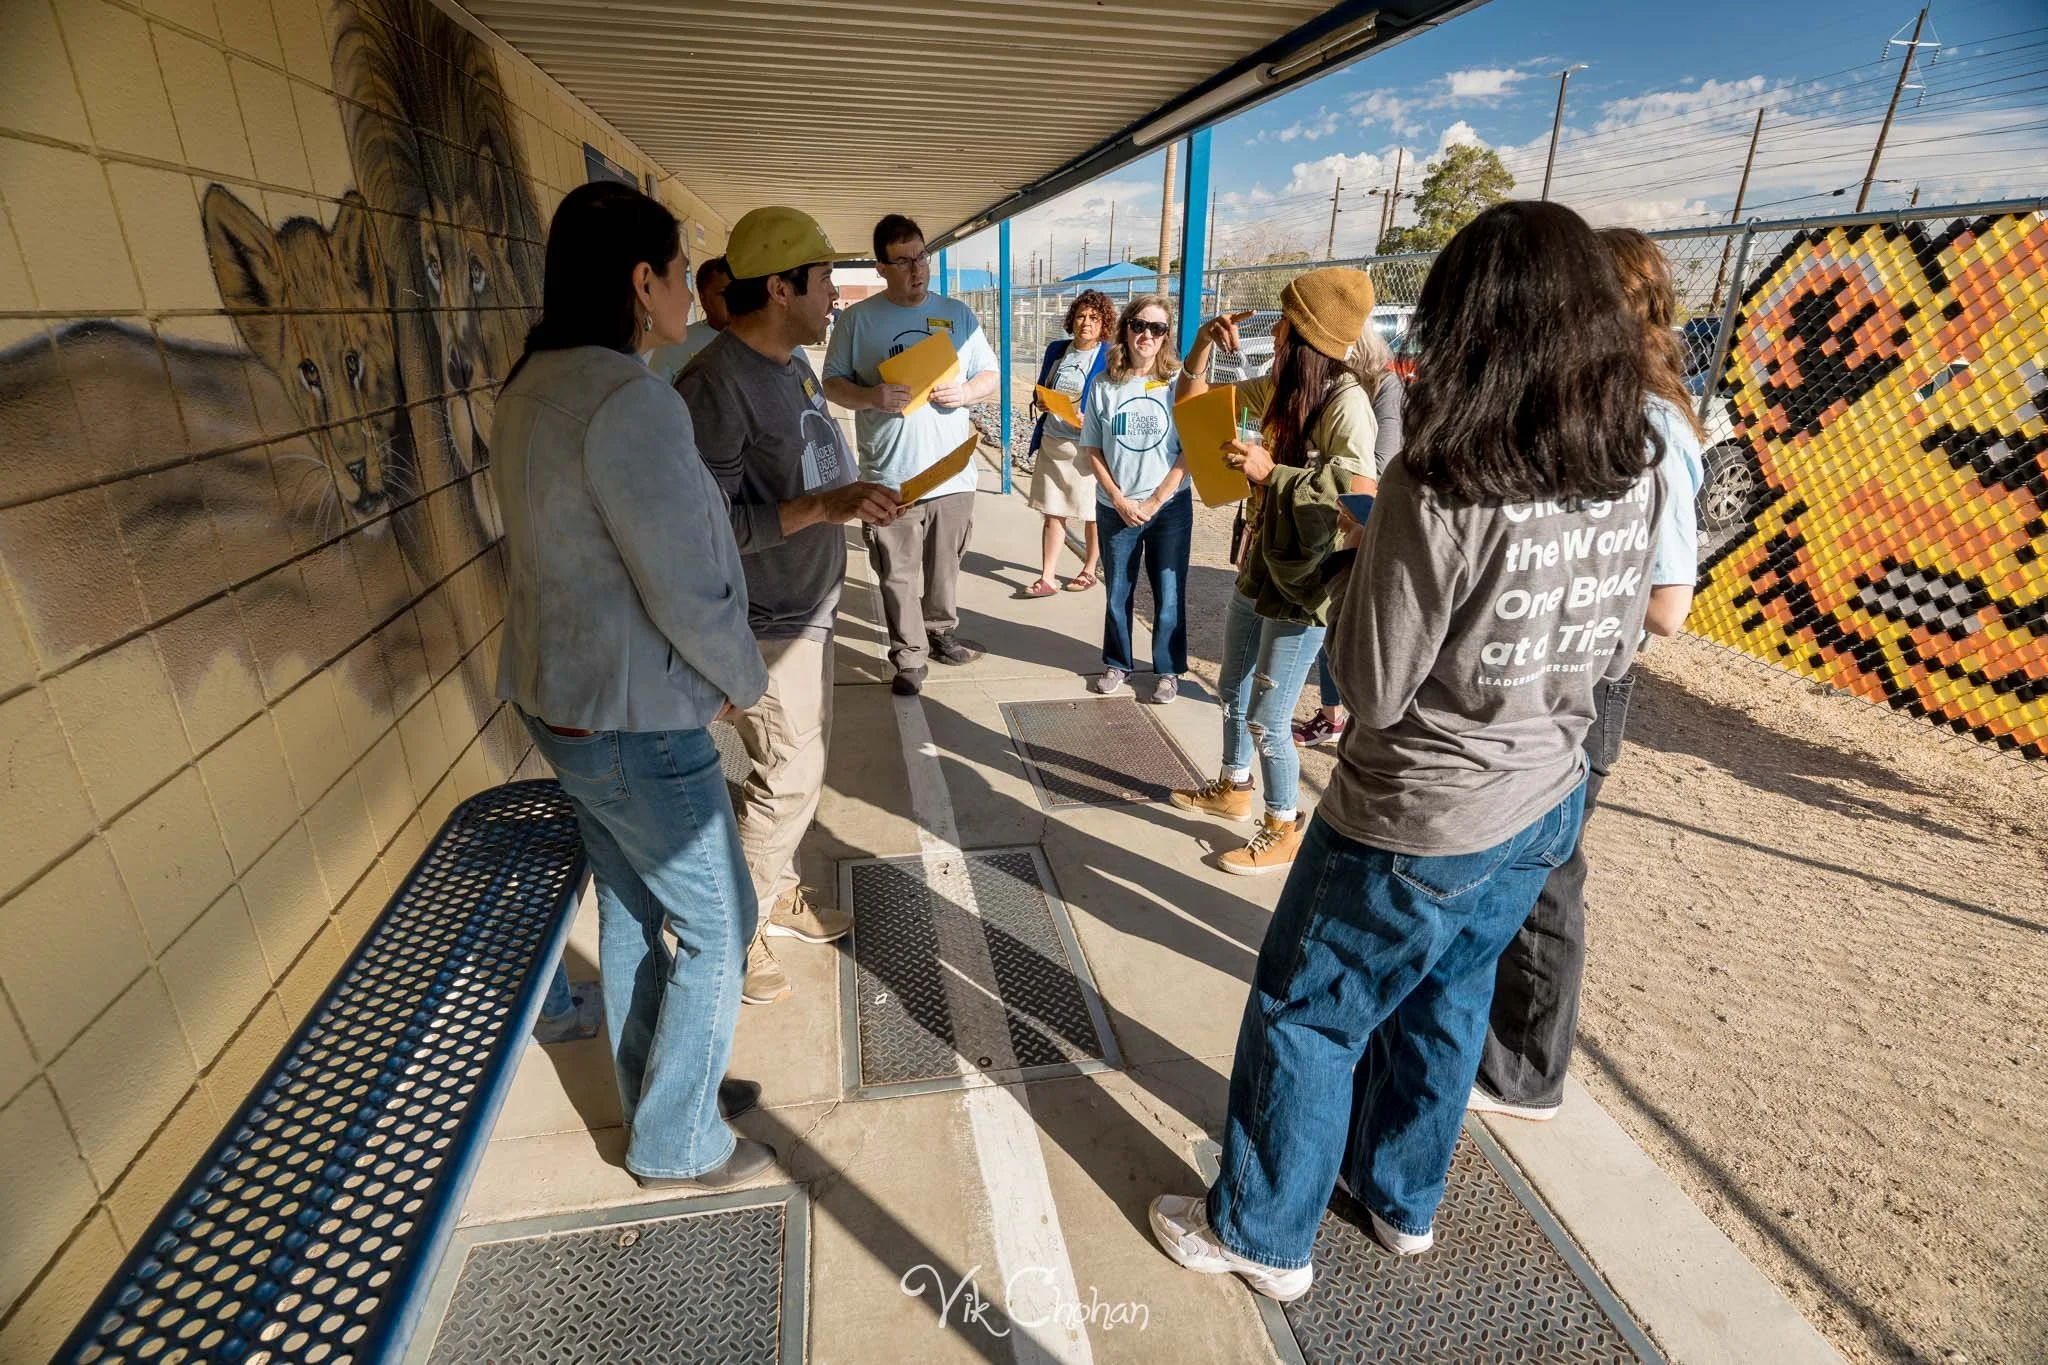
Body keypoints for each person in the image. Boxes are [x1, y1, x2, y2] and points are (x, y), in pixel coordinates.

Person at [1148, 201, 1665, 1298]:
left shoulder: (1443, 478)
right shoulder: (1632, 460)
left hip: (1415, 815)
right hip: (1544, 798)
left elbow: (1371, 689)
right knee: (1449, 1000)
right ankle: (1399, 1200)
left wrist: (1363, 553)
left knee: (1306, 1016)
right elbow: (1617, 646)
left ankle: (1262, 1235)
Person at [492, 182, 774, 1190]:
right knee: (720, 923)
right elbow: (683, 577)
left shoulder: (532, 383)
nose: (692, 294)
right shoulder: (627, 399)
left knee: (628, 902)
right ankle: (675, 1138)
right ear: (639, 281)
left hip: (563, 698)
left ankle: (664, 1086)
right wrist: (744, 682)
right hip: (631, 717)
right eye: (678, 269)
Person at [1472, 225, 1705, 1121]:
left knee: (1545, 875)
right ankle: (1493, 1042)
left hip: (1591, 677)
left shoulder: (1649, 424)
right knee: (1523, 864)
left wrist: (1573, 585)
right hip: (1559, 665)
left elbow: (1668, 605)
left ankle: (1525, 1072)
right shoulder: (1608, 404)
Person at [677, 208, 901, 1007]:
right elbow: (707, 531)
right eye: (823, 280)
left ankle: (778, 895)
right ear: (780, 288)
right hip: (765, 625)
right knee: (789, 778)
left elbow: (807, 467)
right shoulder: (714, 387)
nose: (836, 295)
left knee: (801, 776)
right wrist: (824, 509)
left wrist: (856, 498)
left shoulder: (790, 361)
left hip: (809, 607)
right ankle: (733, 933)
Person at [1171, 269, 1381, 875]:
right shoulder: (1284, 385)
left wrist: (1271, 475)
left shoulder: (1347, 403)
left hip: (1307, 581)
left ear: (1306, 332)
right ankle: (1233, 787)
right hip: (1260, 563)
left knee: (1268, 713)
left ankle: (1283, 824)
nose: (1276, 326)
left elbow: (1359, 495)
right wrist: (1201, 349)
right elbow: (1193, 413)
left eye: (1286, 317)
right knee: (1231, 684)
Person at [824, 214, 999, 696]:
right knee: (896, 572)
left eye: (921, 256)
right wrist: (871, 397)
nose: (917, 269)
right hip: (890, 473)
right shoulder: (859, 320)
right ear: (881, 268)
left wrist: (966, 393)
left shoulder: (957, 314)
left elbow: (991, 374)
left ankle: (940, 630)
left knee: (945, 568)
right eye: (902, 261)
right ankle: (908, 656)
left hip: (952, 474)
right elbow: (833, 382)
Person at [1294, 325, 1407, 749]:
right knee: (1333, 615)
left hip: (1370, 520)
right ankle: (1331, 715)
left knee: (1349, 618)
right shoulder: (1339, 388)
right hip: (1344, 513)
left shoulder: (1384, 387)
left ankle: (1345, 718)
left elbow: (1381, 461)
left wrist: (1327, 470)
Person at [1080, 295, 1191, 704]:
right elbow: (1092, 448)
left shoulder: (1178, 383)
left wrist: (1158, 499)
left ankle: (1167, 670)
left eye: (1157, 329)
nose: (1147, 335)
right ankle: (1117, 662)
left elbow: (1190, 448)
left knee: (1169, 590)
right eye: (1140, 325)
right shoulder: (1104, 385)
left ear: (1166, 337)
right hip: (1116, 509)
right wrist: (1119, 499)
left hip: (1169, 508)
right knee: (1117, 591)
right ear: (1125, 329)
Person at [1022, 290, 1115, 597]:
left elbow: (1116, 400)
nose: (1085, 323)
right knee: (1053, 511)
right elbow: (1041, 388)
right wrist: (1043, 401)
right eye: (1080, 316)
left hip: (1088, 447)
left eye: (1093, 318)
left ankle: (1089, 569)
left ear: (1104, 323)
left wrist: (1093, 416)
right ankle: (1047, 577)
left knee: (1091, 513)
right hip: (1054, 441)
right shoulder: (1058, 350)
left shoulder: (1111, 355)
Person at [647, 255, 731, 383]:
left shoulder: (759, 340)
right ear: (703, 299)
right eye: (724, 293)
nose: (735, 299)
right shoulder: (673, 346)